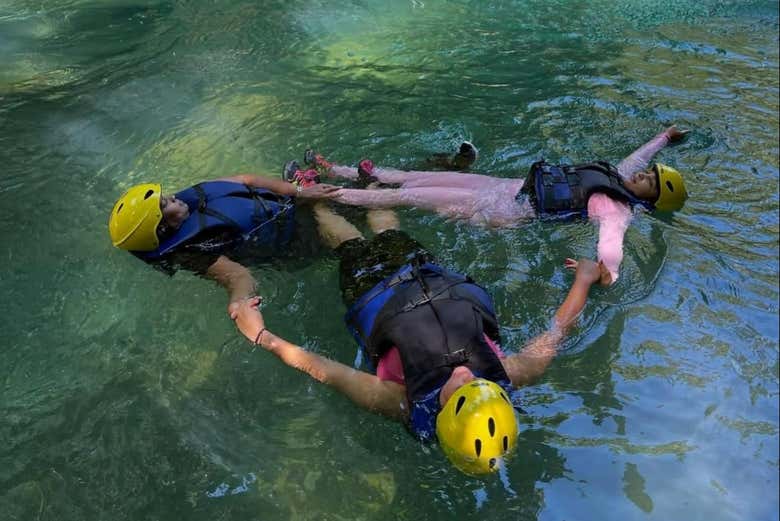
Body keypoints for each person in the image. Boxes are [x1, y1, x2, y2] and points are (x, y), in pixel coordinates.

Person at [229, 195, 602, 475]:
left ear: (443, 417)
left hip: (372, 293)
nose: (465, 373)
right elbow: (558, 329)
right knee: (390, 230)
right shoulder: (514, 373)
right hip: (426, 275)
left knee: (349, 243)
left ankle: (313, 201)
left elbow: (325, 370)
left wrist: (260, 335)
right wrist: (585, 278)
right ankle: (369, 187)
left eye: (461, 388)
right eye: (481, 383)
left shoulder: (401, 402)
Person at [302, 126, 689, 285]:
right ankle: (336, 169)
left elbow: (611, 251)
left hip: (501, 211)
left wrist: (604, 275)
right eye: (650, 173)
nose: (643, 176)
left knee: (407, 196)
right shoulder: (619, 178)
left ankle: (316, 190)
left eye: (650, 183)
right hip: (504, 188)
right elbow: (637, 159)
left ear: (649, 200)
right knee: (412, 178)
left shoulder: (617, 209)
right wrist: (663, 138)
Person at [108, 172, 339, 309]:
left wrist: (297, 191)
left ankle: (307, 182)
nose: (173, 197)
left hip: (284, 203)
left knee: (331, 194)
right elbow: (238, 277)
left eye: (163, 195)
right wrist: (240, 303)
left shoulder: (193, 198)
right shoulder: (193, 251)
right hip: (296, 241)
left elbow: (246, 179)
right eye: (164, 204)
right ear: (163, 227)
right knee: (341, 217)